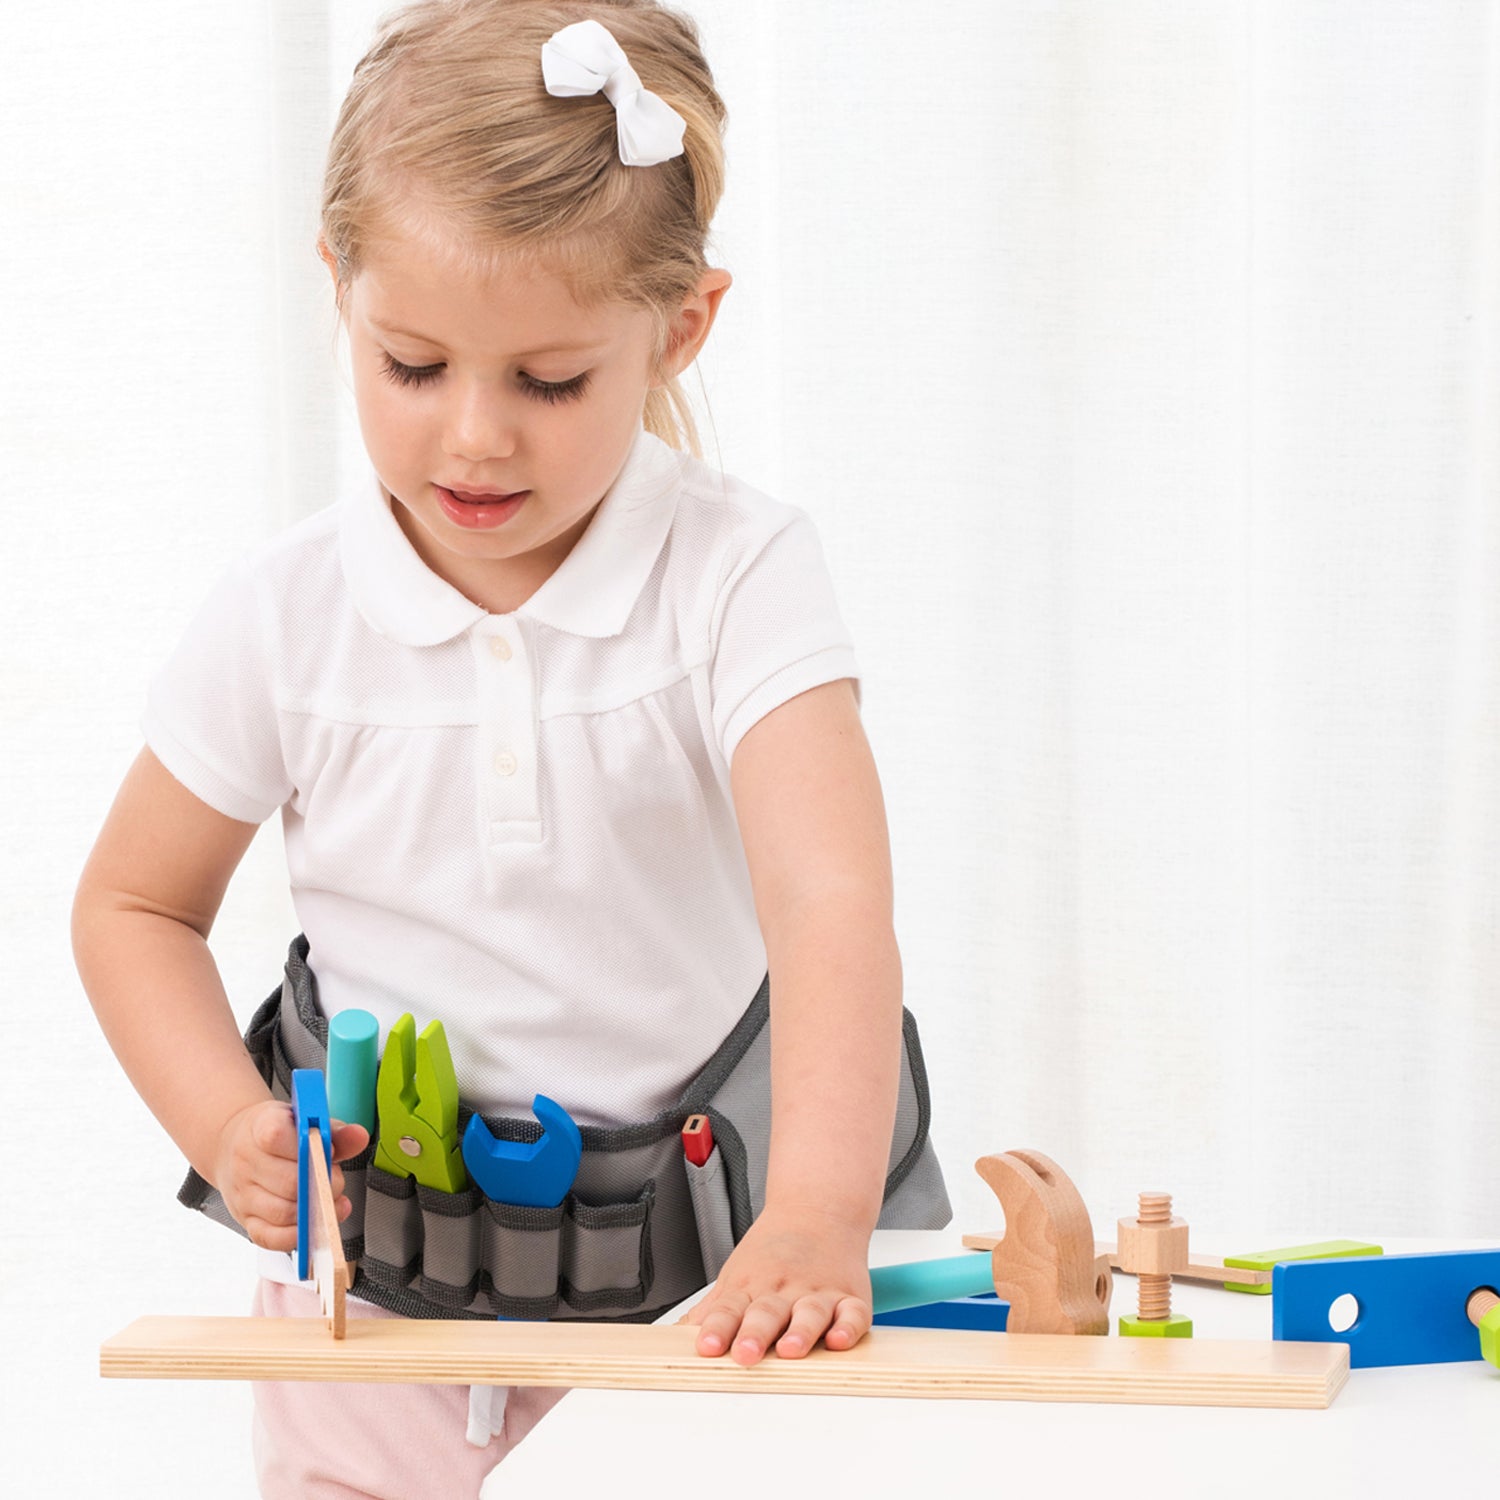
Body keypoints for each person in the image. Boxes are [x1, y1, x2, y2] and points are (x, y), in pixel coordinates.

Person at [73, 2, 947, 1495]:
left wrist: (815, 1212)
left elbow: (830, 904)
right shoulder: (285, 614)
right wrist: (227, 1128)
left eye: (549, 383)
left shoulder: (740, 574)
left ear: (679, 328)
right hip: (366, 1324)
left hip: (704, 1316)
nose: (475, 438)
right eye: (413, 366)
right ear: (338, 287)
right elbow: (132, 905)